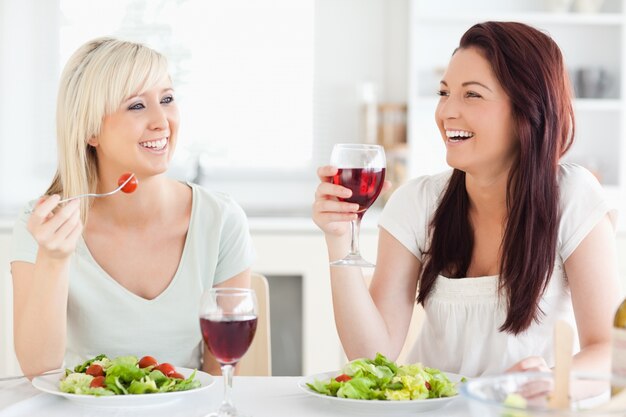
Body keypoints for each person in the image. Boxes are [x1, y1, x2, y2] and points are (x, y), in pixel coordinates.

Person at [313, 21, 621, 377]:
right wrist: (338, 239)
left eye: (471, 94)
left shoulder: (572, 196)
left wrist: (548, 381)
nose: (446, 113)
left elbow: (612, 352)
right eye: (444, 93)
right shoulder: (417, 202)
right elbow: (370, 356)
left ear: (527, 109)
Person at [10, 38, 255, 377]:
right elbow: (38, 369)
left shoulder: (220, 220)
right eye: (137, 106)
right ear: (91, 130)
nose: (161, 121)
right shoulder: (43, 224)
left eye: (167, 99)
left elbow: (220, 379)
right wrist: (54, 261)